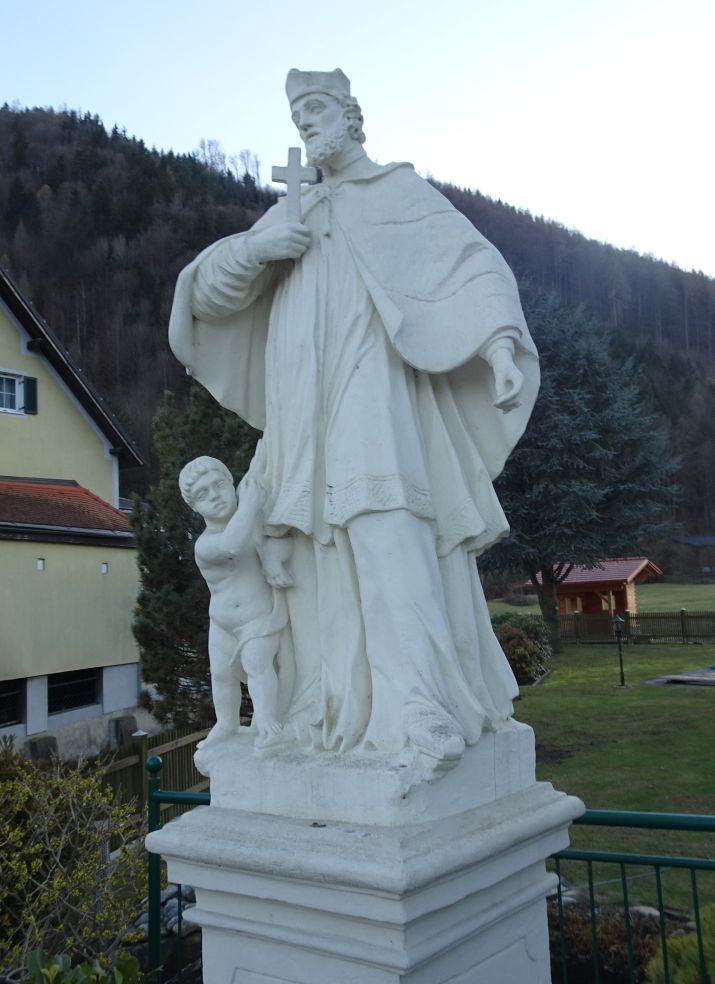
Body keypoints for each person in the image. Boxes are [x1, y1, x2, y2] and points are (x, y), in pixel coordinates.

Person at [169, 69, 540, 762]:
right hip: (301, 407)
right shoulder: (296, 205)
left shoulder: (398, 193)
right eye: (297, 115)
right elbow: (206, 294)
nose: (305, 123)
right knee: (319, 550)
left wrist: (497, 349)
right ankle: (329, 706)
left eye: (316, 108)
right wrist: (255, 250)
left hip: (374, 389)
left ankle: (421, 704)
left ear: (350, 114)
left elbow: (471, 268)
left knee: (387, 524)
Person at [179, 454, 291, 751]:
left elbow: (283, 541)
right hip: (222, 624)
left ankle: (266, 719)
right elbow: (231, 544)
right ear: (194, 506)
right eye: (203, 494)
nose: (215, 496)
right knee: (221, 675)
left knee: (257, 665)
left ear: (231, 484)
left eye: (219, 485)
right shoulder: (205, 544)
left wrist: (272, 559)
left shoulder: (254, 523)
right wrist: (250, 505)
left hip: (258, 618)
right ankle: (227, 723)